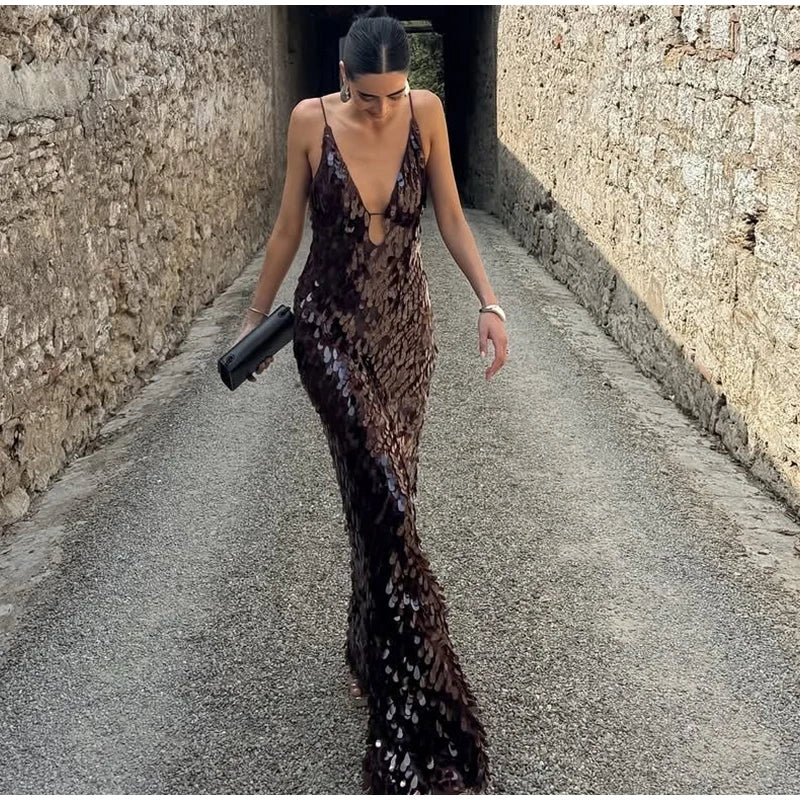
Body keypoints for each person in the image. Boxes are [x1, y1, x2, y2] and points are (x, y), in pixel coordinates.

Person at [231, 6, 508, 793]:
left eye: (395, 94)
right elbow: (289, 227)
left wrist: (491, 302)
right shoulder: (309, 121)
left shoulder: (426, 113)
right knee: (383, 496)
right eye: (369, 96)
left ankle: (363, 647)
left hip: (405, 336)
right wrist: (255, 323)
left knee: (385, 502)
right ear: (343, 76)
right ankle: (416, 694)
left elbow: (450, 214)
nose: (383, 109)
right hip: (330, 333)